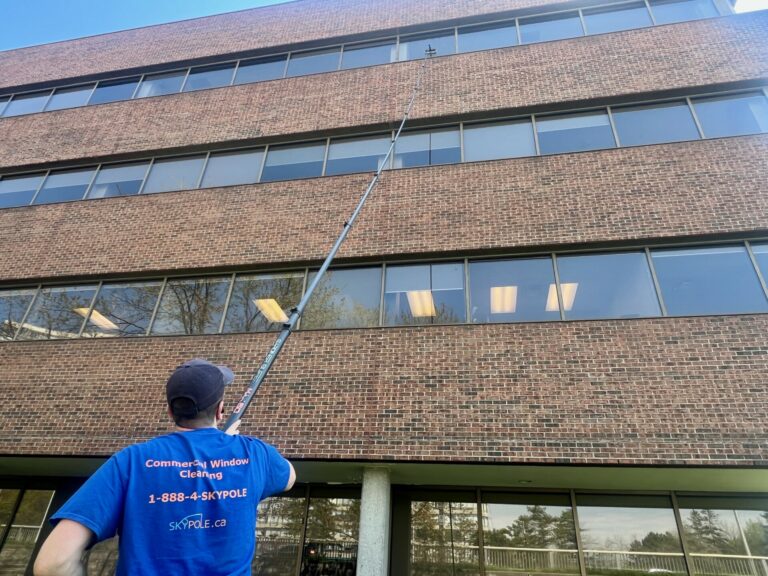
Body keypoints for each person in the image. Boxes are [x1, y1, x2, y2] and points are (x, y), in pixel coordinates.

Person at [34, 358, 296, 576]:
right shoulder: (253, 453)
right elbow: (289, 477)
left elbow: (54, 563)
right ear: (220, 410)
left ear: (170, 412)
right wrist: (227, 447)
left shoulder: (131, 461)